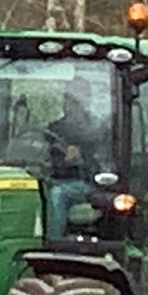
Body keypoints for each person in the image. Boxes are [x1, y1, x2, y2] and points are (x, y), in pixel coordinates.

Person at [43, 86, 103, 238]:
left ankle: (53, 243)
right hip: (53, 178)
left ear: (86, 100)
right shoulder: (54, 128)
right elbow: (45, 154)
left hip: (86, 181)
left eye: (74, 101)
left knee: (58, 194)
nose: (69, 104)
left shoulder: (97, 128)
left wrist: (81, 155)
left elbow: (105, 158)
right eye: (67, 99)